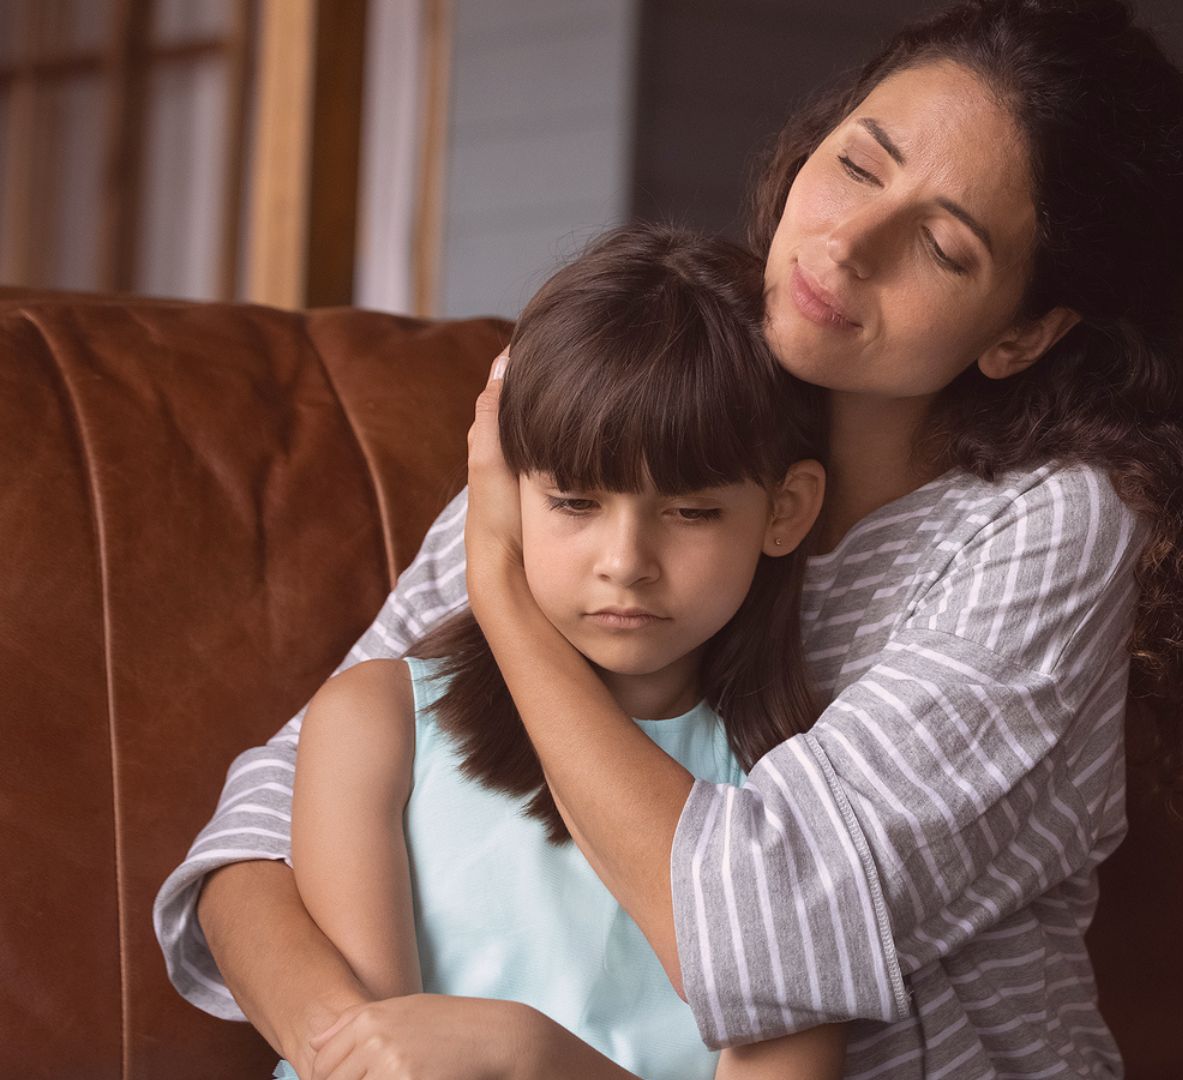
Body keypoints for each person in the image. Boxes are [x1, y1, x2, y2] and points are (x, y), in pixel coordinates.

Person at [154, 1, 1183, 1076]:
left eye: (941, 245)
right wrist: (354, 1050)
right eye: (858, 164)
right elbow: (267, 819)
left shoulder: (1048, 531)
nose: (845, 246)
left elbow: (765, 938)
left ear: (1023, 332)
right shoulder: (641, 418)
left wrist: (501, 587)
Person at [277, 223, 844, 1078]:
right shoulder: (377, 722)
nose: (625, 563)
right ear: (504, 492)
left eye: (691, 512)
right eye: (575, 502)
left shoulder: (809, 798)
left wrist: (535, 1057)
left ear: (785, 510)